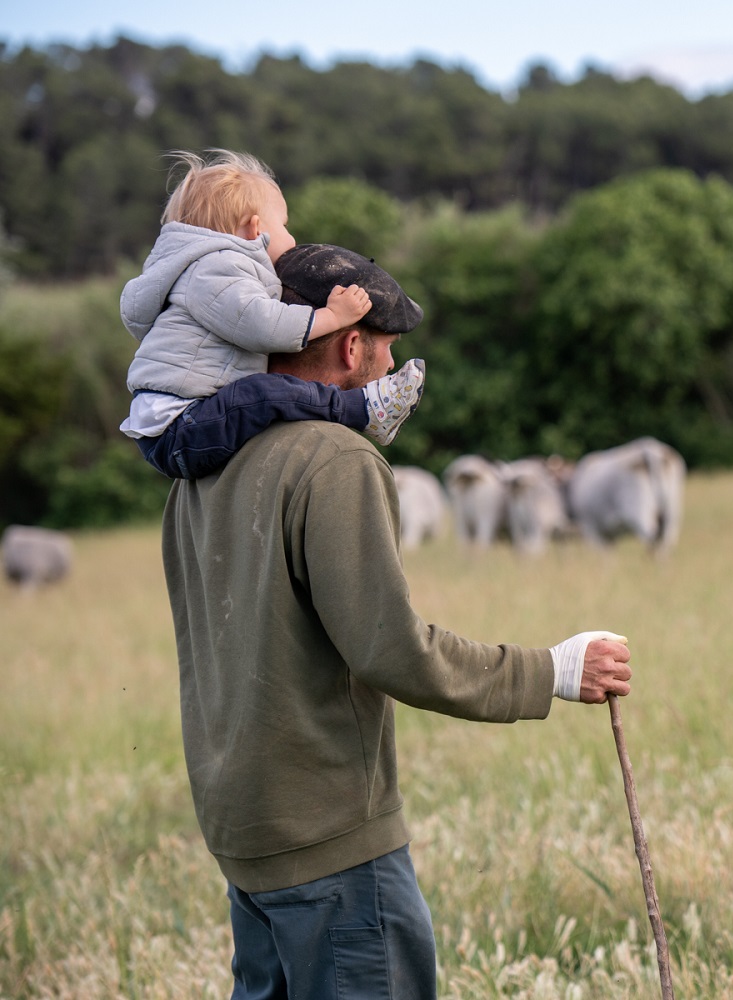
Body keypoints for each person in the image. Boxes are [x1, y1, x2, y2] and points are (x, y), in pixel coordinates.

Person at [160, 243, 633, 999]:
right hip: (330, 842)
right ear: (351, 346)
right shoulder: (333, 459)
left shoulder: (198, 469)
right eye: (385, 352)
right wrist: (555, 670)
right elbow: (391, 649)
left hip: (245, 833)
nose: (389, 372)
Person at [120, 148, 425, 480]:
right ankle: (364, 409)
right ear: (254, 229)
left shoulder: (207, 272)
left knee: (258, 394)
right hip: (181, 424)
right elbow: (266, 325)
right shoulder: (216, 269)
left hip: (178, 424)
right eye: (284, 225)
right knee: (262, 393)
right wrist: (333, 317)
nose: (291, 238)